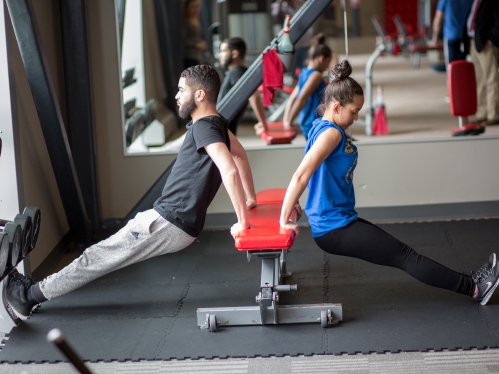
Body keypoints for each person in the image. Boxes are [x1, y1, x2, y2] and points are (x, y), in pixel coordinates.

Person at [6, 65, 257, 318]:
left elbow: (230, 169)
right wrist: (250, 198)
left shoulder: (205, 126)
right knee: (100, 256)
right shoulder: (218, 125)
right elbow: (240, 156)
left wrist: (242, 222)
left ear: (200, 95)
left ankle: (27, 297)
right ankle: (32, 291)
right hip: (174, 221)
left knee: (96, 258)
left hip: (168, 221)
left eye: (182, 90)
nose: (177, 96)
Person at [279, 59, 499, 306]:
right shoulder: (330, 133)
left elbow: (312, 171)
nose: (356, 117)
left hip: (338, 220)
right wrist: (283, 219)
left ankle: (472, 283)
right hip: (333, 227)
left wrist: (295, 201)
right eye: (354, 111)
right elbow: (301, 174)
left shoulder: (322, 126)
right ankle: (475, 288)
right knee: (406, 257)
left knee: (404, 254)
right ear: (337, 107)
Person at [281, 33, 332, 139]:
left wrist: (286, 120)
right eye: (328, 62)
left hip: (307, 124)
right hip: (314, 124)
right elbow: (301, 99)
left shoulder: (304, 73)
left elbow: (292, 98)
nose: (327, 67)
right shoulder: (316, 76)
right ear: (321, 59)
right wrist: (289, 122)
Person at [218, 37, 268, 135]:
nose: (220, 55)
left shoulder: (237, 73)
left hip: (221, 131)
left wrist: (263, 124)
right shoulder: (235, 73)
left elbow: (254, 96)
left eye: (223, 51)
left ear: (234, 54)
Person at [467, 0, 499, 126]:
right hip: (474, 41)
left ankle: (493, 114)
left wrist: (491, 39)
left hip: (486, 43)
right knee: (479, 79)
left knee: (491, 78)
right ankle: (482, 112)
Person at [430, 0, 473, 66]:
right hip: (466, 37)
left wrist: (435, 36)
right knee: (463, 64)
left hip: (451, 36)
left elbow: (438, 18)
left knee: (452, 66)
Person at [182, 0, 207, 69]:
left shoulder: (196, 19)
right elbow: (182, 39)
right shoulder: (185, 21)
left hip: (198, 55)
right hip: (190, 56)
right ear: (187, 8)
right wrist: (196, 45)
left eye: (197, 7)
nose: (195, 9)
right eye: (192, 7)